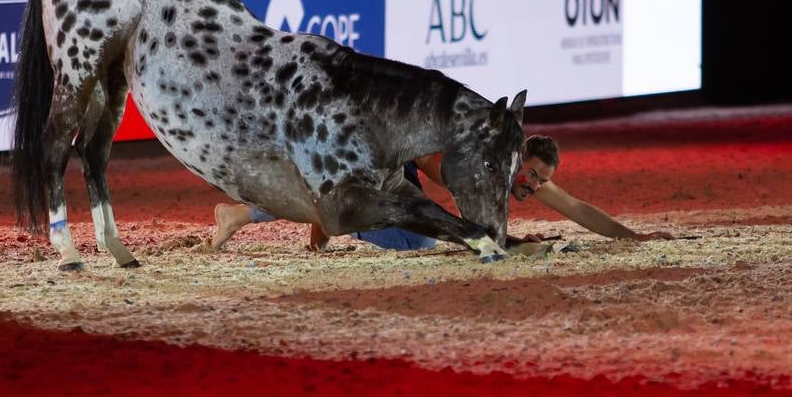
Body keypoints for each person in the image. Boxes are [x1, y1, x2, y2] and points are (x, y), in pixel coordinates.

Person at [209, 134, 673, 252]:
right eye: (531, 176)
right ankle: (238, 215)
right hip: (388, 159)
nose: (532, 187)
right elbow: (429, 168)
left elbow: (578, 209)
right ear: (518, 158)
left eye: (538, 182)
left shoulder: (519, 174)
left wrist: (632, 237)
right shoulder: (483, 167)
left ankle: (317, 218)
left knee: (415, 234)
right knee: (417, 236)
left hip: (399, 164)